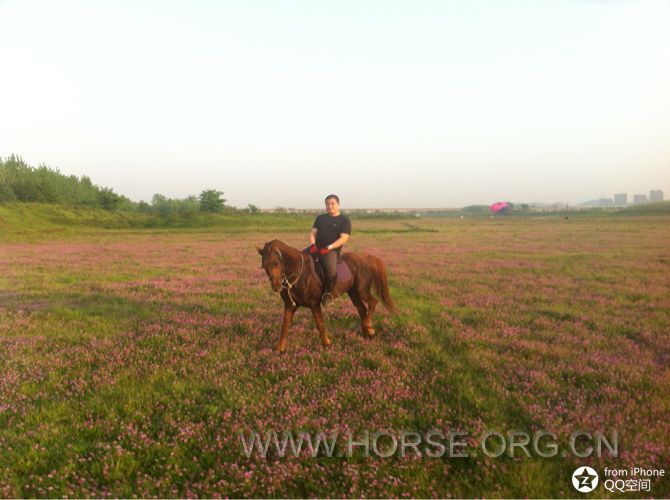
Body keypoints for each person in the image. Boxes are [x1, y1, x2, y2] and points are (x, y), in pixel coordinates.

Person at [307, 194, 351, 306]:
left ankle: (328, 293)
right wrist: (312, 245)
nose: (330, 206)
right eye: (327, 204)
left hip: (331, 251)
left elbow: (344, 238)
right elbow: (313, 233)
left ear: (338, 205)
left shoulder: (344, 220)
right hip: (316, 248)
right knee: (298, 259)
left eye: (332, 204)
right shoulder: (320, 218)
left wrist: (329, 248)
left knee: (330, 270)